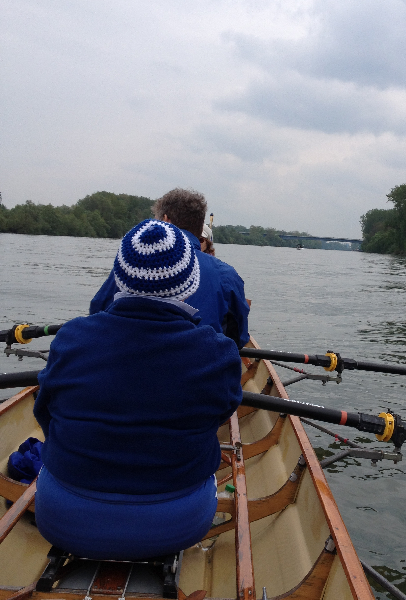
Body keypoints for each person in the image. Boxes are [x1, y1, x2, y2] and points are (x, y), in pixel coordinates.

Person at [33, 219, 243, 560]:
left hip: (62, 518)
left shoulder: (71, 337)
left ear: (119, 277)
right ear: (190, 284)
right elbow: (220, 415)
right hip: (178, 524)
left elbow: (45, 413)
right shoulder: (218, 352)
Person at [90, 188, 249, 349]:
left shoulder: (134, 265)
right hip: (202, 359)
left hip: (130, 355)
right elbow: (238, 338)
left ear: (166, 220)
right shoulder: (227, 275)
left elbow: (98, 310)